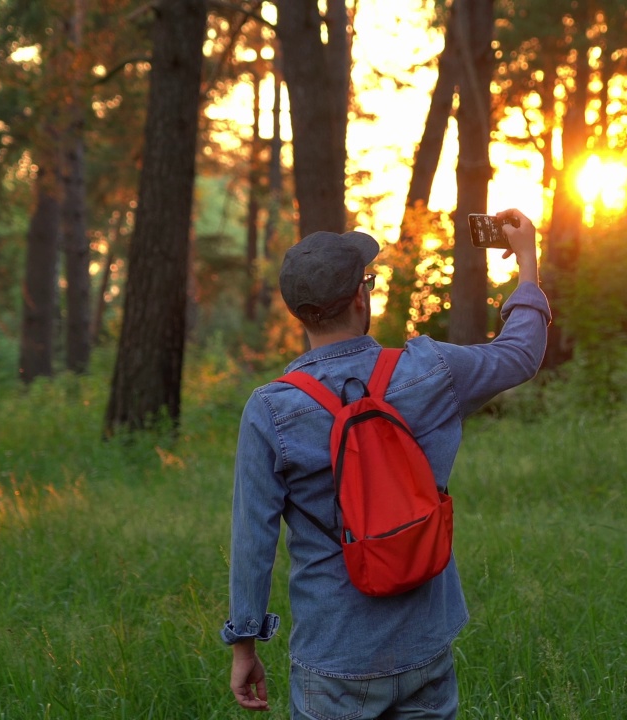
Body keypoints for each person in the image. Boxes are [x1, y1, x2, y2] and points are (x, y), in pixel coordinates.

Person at [222, 208, 549, 719]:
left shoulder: (270, 410)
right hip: (425, 643)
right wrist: (527, 260)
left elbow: (252, 541)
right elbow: (521, 353)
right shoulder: (428, 370)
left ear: (299, 311)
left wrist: (245, 643)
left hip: (334, 654)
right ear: (361, 295)